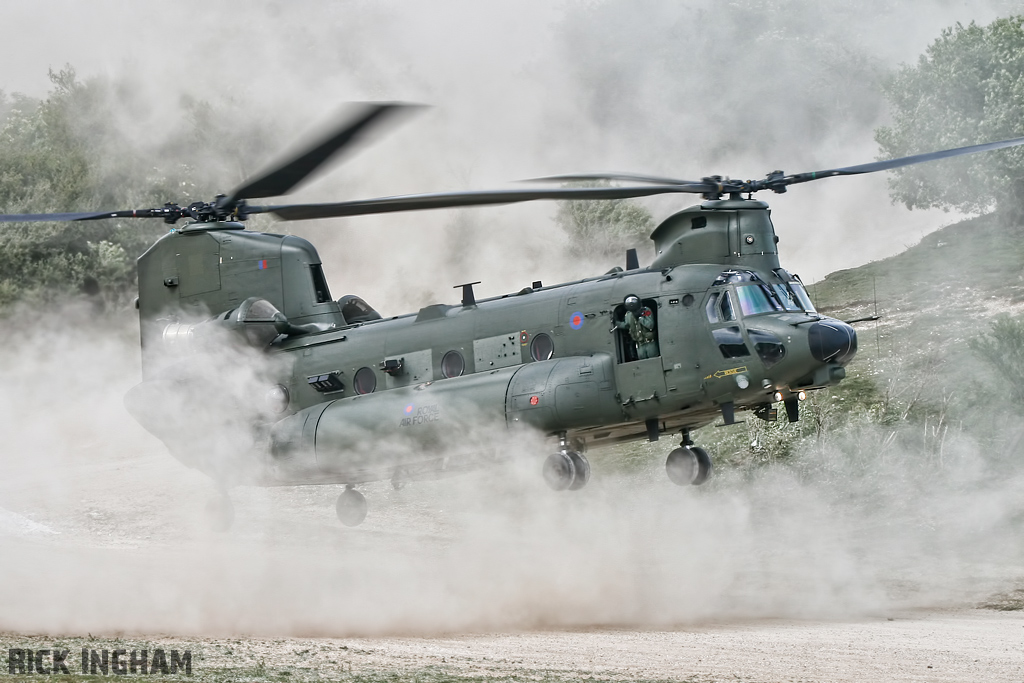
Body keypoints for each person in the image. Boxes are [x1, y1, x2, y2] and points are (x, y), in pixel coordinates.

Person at [613, 294, 659, 359]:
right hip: (640, 345)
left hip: (650, 343)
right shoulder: (628, 315)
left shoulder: (646, 311)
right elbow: (626, 325)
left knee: (654, 359)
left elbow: (650, 325)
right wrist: (616, 323)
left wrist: (640, 318)